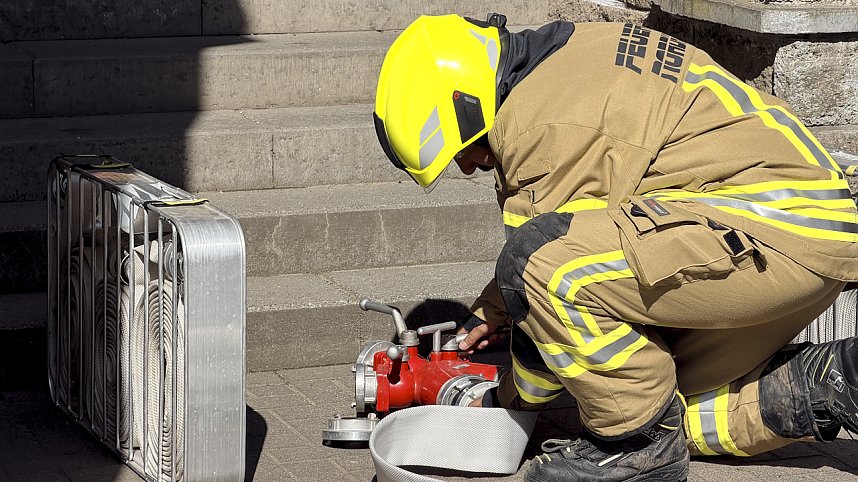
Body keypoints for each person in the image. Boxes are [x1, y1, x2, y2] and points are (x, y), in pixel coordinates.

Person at [372, 13, 858, 482]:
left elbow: (536, 279)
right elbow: (582, 228)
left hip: (766, 232)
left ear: (467, 105)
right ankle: (832, 380)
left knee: (624, 405)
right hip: (798, 229)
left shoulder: (536, 131)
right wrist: (493, 310)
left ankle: (639, 451)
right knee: (665, 406)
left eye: (462, 151)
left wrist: (496, 401)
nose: (468, 167)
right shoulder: (573, 54)